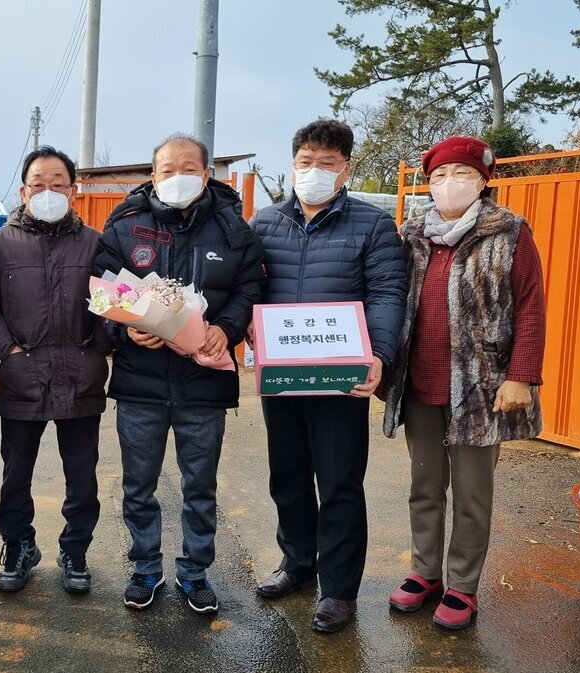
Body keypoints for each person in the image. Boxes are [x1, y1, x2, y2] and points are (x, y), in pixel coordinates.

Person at [93, 133, 265, 614]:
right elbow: (103, 291)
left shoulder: (233, 228)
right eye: (167, 169)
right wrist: (124, 333)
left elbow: (251, 285)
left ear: (207, 174)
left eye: (188, 167)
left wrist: (227, 328)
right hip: (140, 383)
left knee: (199, 487)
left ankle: (194, 573)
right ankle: (145, 568)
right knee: (138, 486)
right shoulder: (126, 226)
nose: (177, 177)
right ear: (153, 175)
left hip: (203, 383)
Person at [250, 119, 407, 633]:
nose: (314, 171)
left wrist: (378, 353)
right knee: (287, 476)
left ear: (346, 169)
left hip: (342, 379)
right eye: (305, 161)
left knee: (340, 482)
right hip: (283, 378)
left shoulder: (372, 225)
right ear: (292, 164)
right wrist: (248, 330)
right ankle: (296, 564)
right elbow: (248, 287)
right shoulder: (265, 223)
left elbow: (387, 294)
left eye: (327, 163)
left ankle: (338, 588)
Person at [382, 136, 545, 630]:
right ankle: (424, 572)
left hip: (481, 386)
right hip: (420, 380)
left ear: (482, 181)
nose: (449, 184)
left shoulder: (509, 232)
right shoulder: (411, 234)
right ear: (427, 184)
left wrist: (521, 376)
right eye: (438, 176)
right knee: (424, 485)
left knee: (473, 493)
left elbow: (531, 305)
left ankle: (462, 586)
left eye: (462, 174)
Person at [0, 146, 111, 595]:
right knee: (15, 474)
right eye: (39, 183)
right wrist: (7, 352)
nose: (49, 191)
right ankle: (18, 545)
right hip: (22, 378)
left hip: (82, 377)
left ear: (73, 190)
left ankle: (76, 550)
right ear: (23, 190)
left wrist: (99, 346)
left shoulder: (95, 243)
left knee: (82, 474)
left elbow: (112, 305)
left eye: (59, 183)